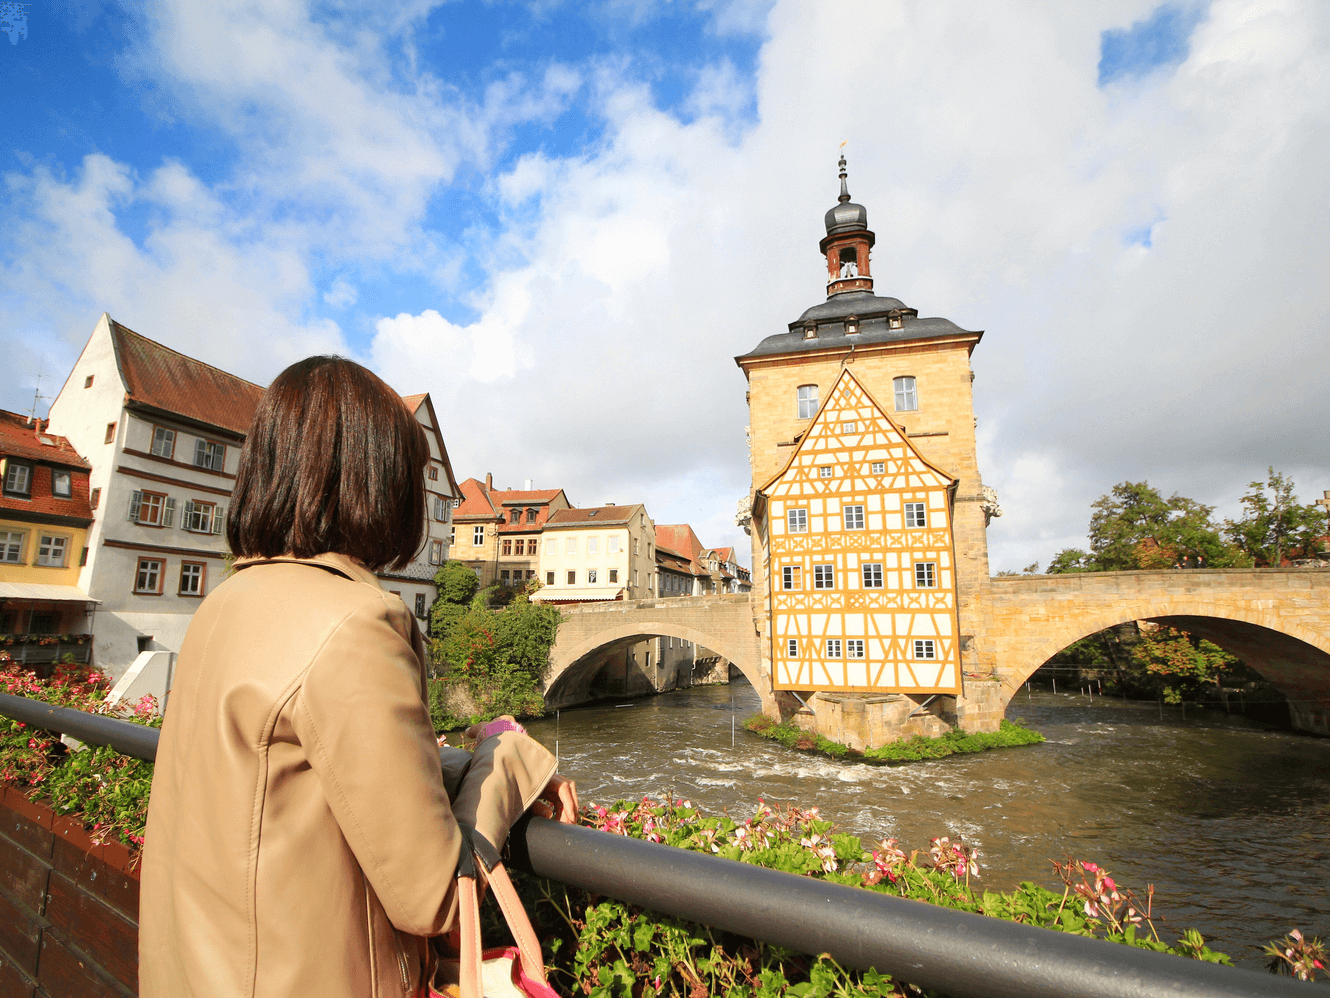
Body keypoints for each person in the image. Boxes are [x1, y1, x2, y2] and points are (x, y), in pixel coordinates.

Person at [139, 356, 576, 998]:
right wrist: (508, 758)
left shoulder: (221, 605)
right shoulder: (355, 624)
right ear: (379, 483)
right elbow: (431, 893)